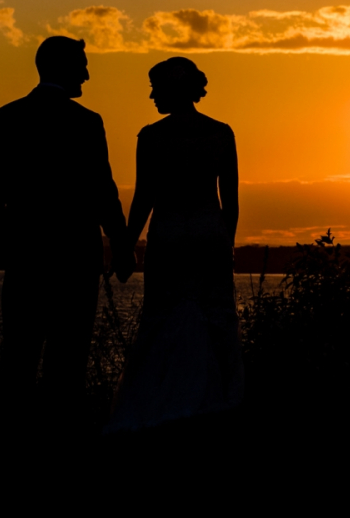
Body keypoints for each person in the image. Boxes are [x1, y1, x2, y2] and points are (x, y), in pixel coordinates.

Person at [0, 35, 129, 397]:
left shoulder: (5, 118)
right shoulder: (86, 123)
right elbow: (103, 191)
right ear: (63, 67)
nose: (87, 77)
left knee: (18, 356)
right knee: (68, 362)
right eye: (83, 67)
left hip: (24, 258)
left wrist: (2, 250)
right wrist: (122, 247)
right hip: (76, 261)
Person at [105, 57, 244, 431]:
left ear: (172, 90)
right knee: (213, 325)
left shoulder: (151, 137)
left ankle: (158, 406)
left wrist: (125, 246)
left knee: (162, 323)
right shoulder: (220, 134)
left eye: (156, 88)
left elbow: (143, 199)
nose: (151, 96)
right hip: (208, 238)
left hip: (167, 239)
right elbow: (230, 204)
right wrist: (224, 246)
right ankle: (215, 404)